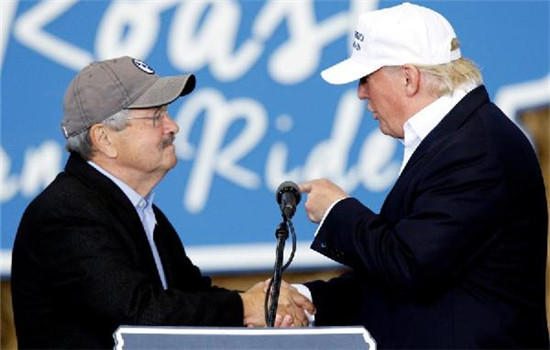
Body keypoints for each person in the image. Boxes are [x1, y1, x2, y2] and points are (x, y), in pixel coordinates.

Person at [11, 56, 314, 349]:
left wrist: (263, 305)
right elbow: (139, 315)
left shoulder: (138, 210)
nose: (173, 126)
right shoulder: (66, 214)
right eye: (156, 116)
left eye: (166, 113)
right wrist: (245, 306)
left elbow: (191, 296)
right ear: (104, 138)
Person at [297, 3, 549, 349]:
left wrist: (337, 211)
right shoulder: (458, 138)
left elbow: (410, 266)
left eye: (366, 78)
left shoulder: (475, 149)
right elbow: (399, 275)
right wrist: (308, 299)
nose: (360, 92)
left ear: (408, 77)